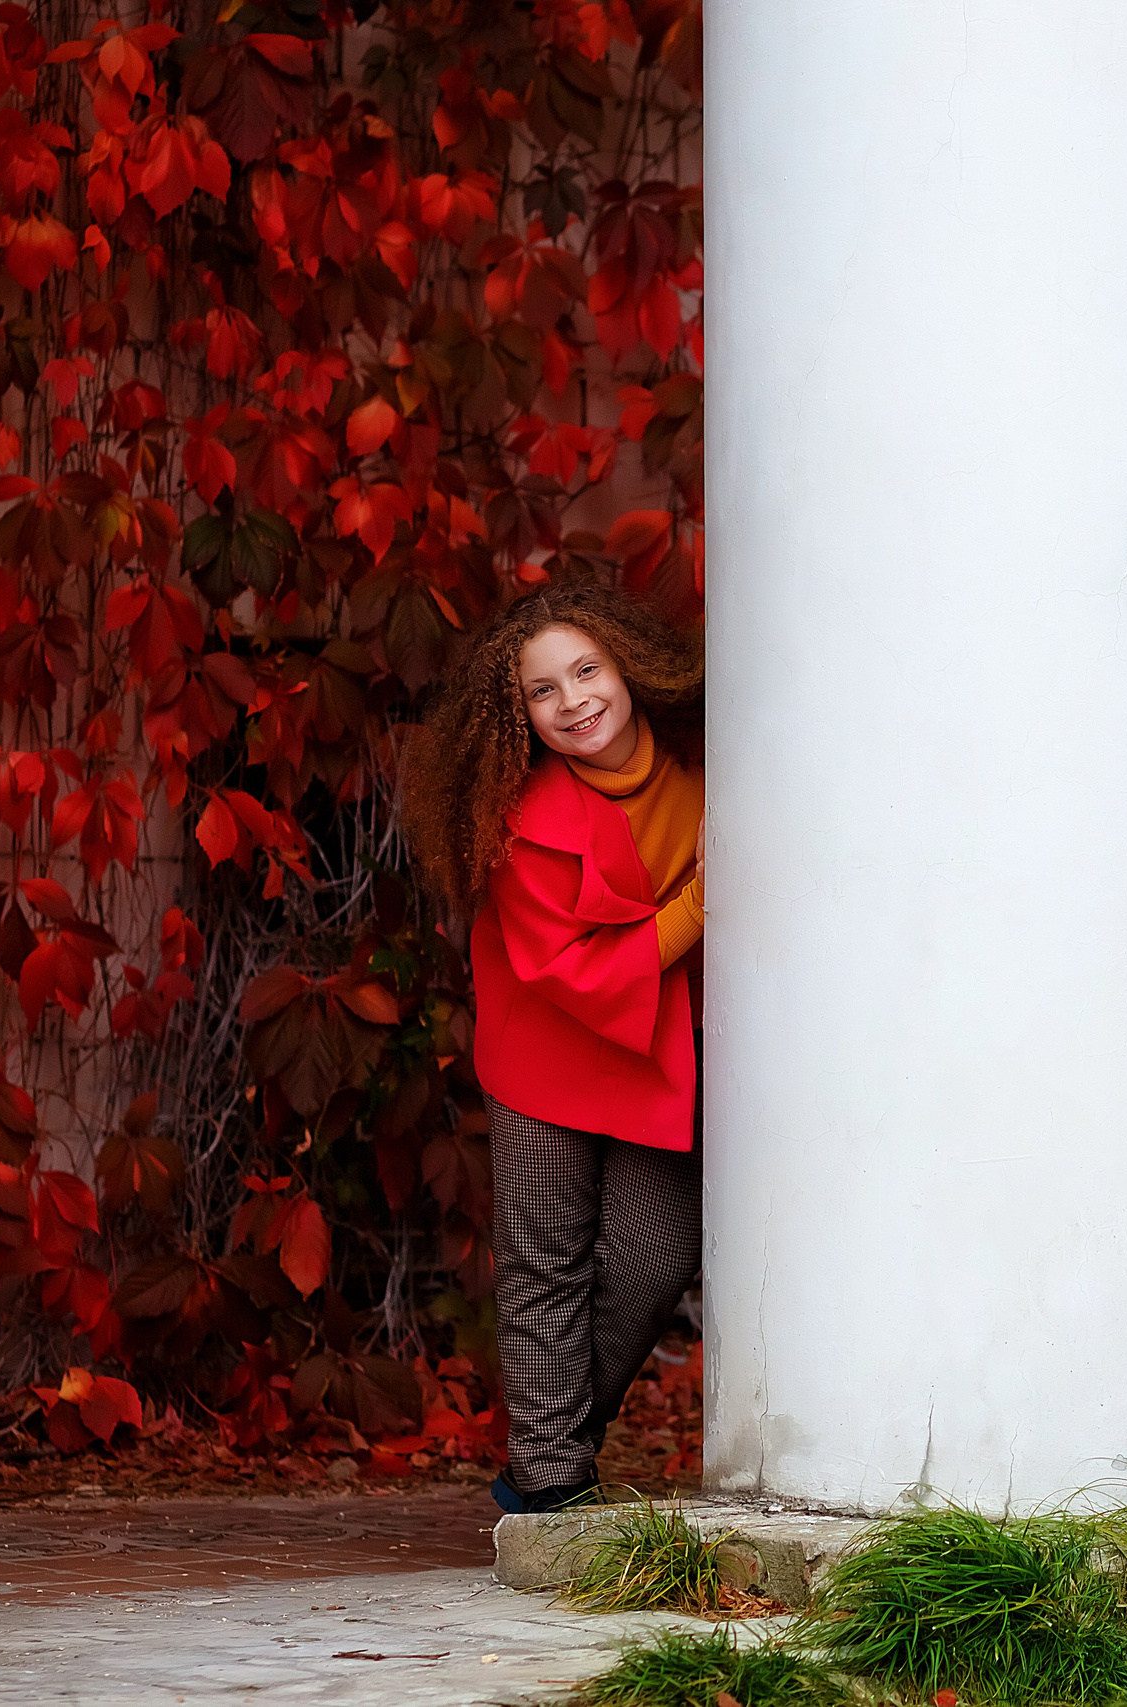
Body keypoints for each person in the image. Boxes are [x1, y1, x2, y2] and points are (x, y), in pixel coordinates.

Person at [401, 579, 705, 1515]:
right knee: (545, 1262)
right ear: (519, 713)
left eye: (586, 670)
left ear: (628, 666)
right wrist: (706, 900)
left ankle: (558, 1431)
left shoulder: (707, 763)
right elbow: (569, 970)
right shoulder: (515, 816)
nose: (573, 701)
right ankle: (547, 1483)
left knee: (656, 1256)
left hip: (656, 1036)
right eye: (543, 690)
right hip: (546, 1039)